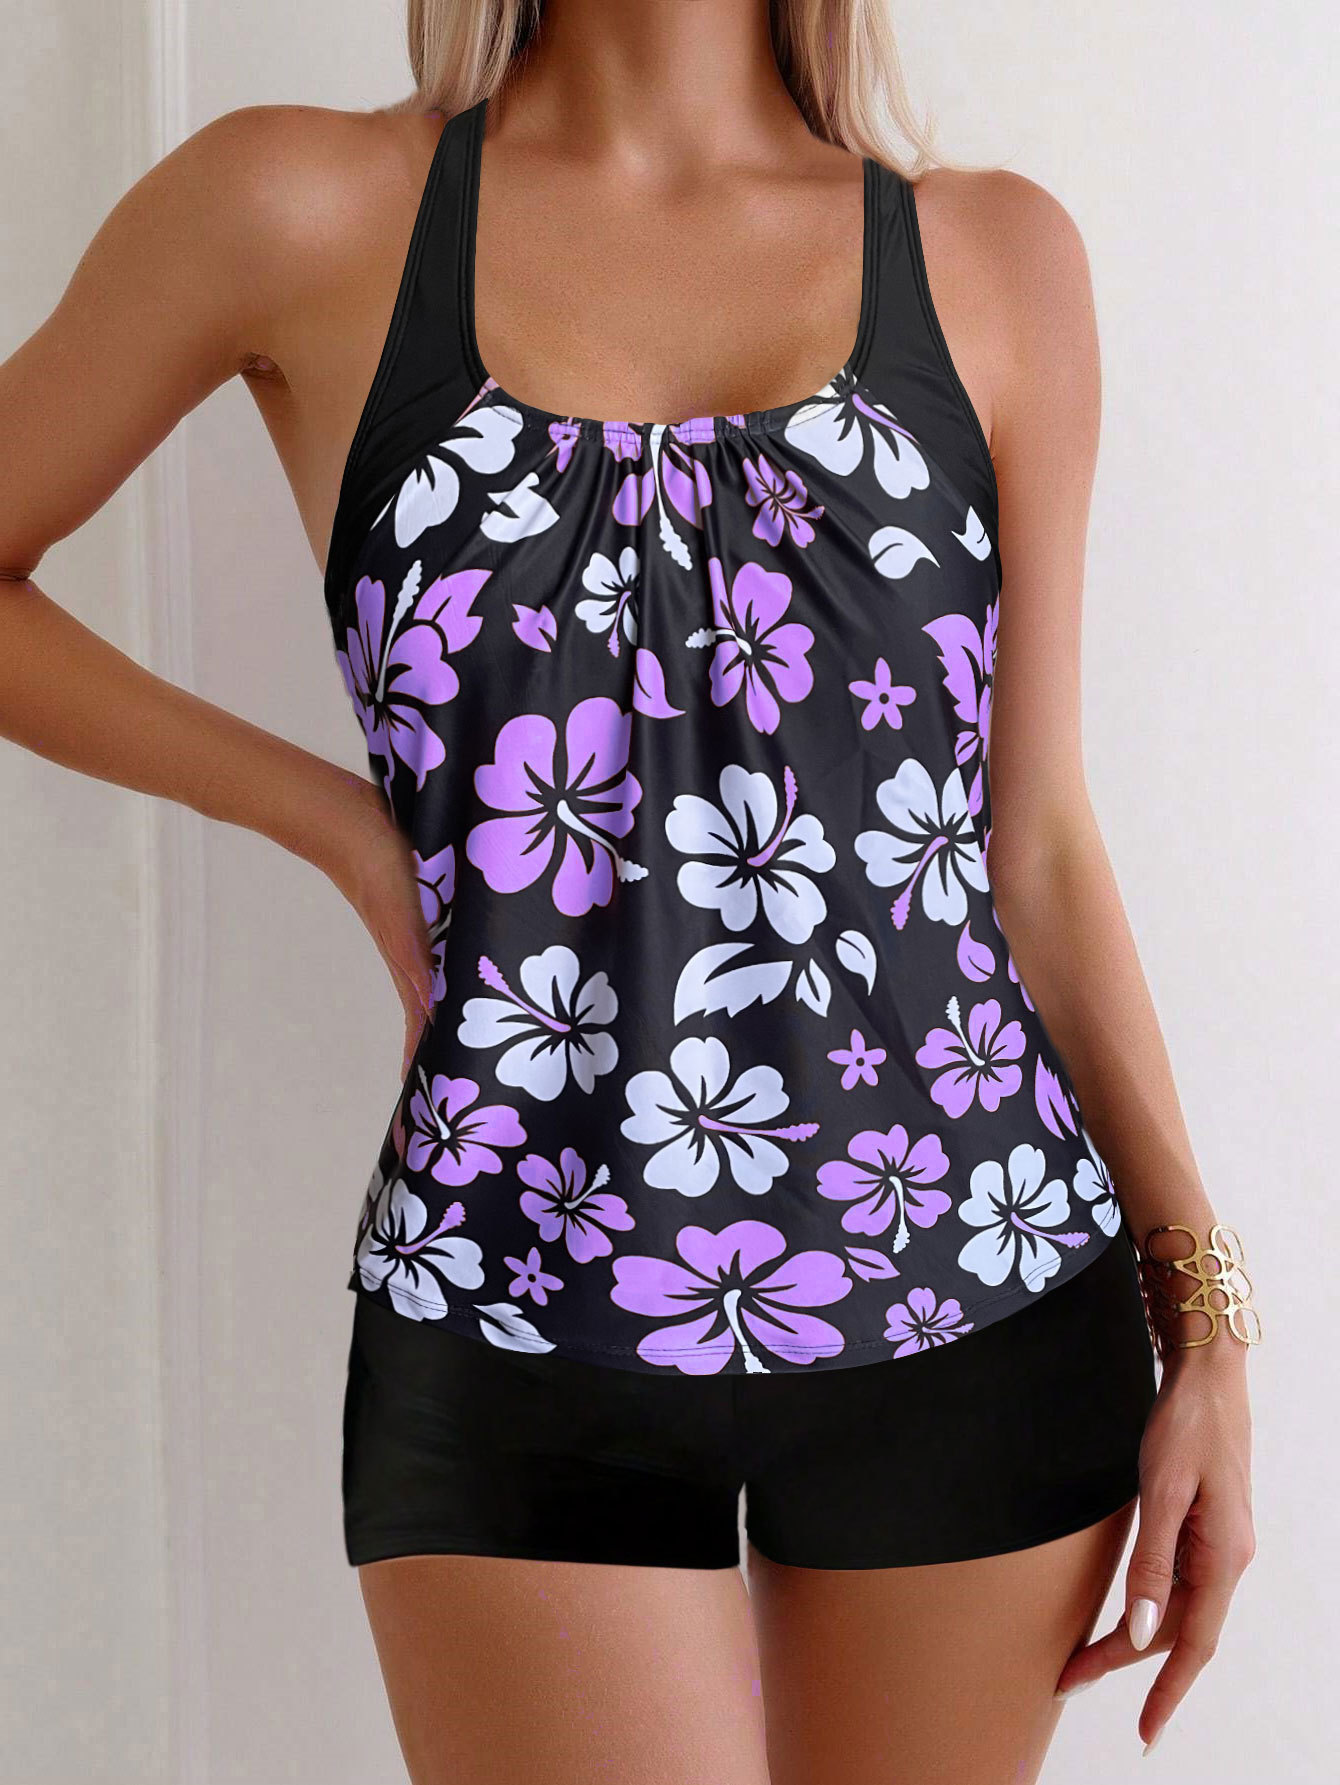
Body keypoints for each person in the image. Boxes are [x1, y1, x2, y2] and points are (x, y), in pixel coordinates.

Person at [0, 2, 1258, 1781]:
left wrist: (1206, 1320)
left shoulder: (993, 256)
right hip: (511, 1293)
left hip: (980, 1297)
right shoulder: (297, 205)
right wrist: (335, 827)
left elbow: (1034, 843)